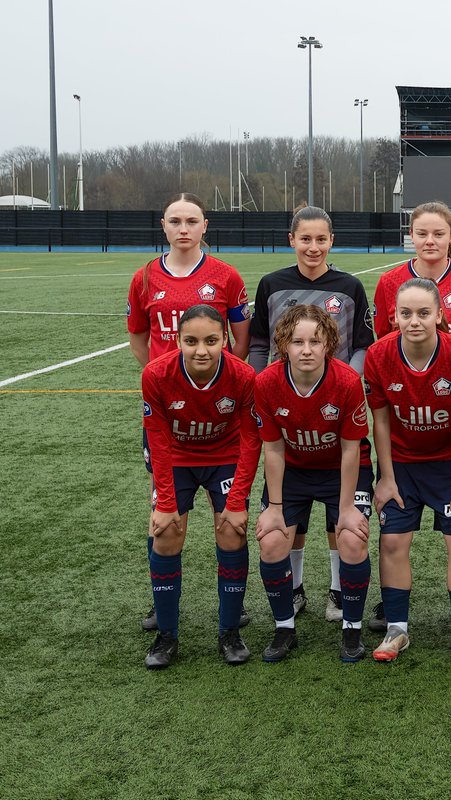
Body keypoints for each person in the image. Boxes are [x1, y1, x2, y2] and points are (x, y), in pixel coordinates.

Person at [128, 193, 251, 633]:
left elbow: (240, 338)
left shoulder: (225, 276)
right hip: (167, 408)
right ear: (163, 225)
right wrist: (166, 381)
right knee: (163, 515)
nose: (184, 228)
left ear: (205, 226)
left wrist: (214, 384)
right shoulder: (144, 278)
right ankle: (161, 607)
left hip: (218, 409)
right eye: (175, 221)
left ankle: (231, 611)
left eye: (192, 220)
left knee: (231, 522)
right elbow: (139, 339)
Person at [247, 205, 374, 624]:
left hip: (335, 404)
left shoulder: (349, 286)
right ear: (292, 240)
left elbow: (360, 343)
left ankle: (339, 593)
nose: (313, 247)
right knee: (290, 519)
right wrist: (268, 383)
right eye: (306, 239)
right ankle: (296, 588)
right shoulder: (272, 284)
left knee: (341, 522)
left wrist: (344, 384)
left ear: (331, 241)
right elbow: (260, 343)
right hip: (289, 408)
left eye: (321, 239)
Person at [365, 278, 451, 663]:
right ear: (393, 315)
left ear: (439, 315)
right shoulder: (379, 355)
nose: (414, 321)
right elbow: (380, 422)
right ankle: (397, 629)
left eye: (423, 313)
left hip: (450, 464)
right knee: (394, 541)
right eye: (406, 313)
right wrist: (386, 476)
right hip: (402, 465)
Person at [141, 304, 261, 669]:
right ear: (177, 341)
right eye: (191, 341)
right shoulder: (156, 374)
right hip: (176, 456)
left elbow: (251, 441)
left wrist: (237, 499)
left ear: (225, 338)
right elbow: (158, 440)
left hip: (224, 454)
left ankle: (229, 631)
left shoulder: (243, 376)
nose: (201, 350)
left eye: (211, 340)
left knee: (232, 531)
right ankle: (167, 635)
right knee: (166, 532)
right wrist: (163, 500)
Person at [253, 304, 373, 663]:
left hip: (341, 469)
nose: (306, 349)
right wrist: (274, 509)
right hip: (293, 471)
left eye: (315, 341)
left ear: (328, 345)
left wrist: (348, 508)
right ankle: (284, 628)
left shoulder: (348, 381)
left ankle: (352, 629)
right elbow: (272, 449)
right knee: (272, 541)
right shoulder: (267, 383)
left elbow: (352, 449)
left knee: (352, 539)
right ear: (283, 345)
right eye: (297, 341)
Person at [373, 201, 451, 358]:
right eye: (422, 234)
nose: (429, 241)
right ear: (411, 235)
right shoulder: (388, 281)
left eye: (438, 234)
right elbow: (383, 339)